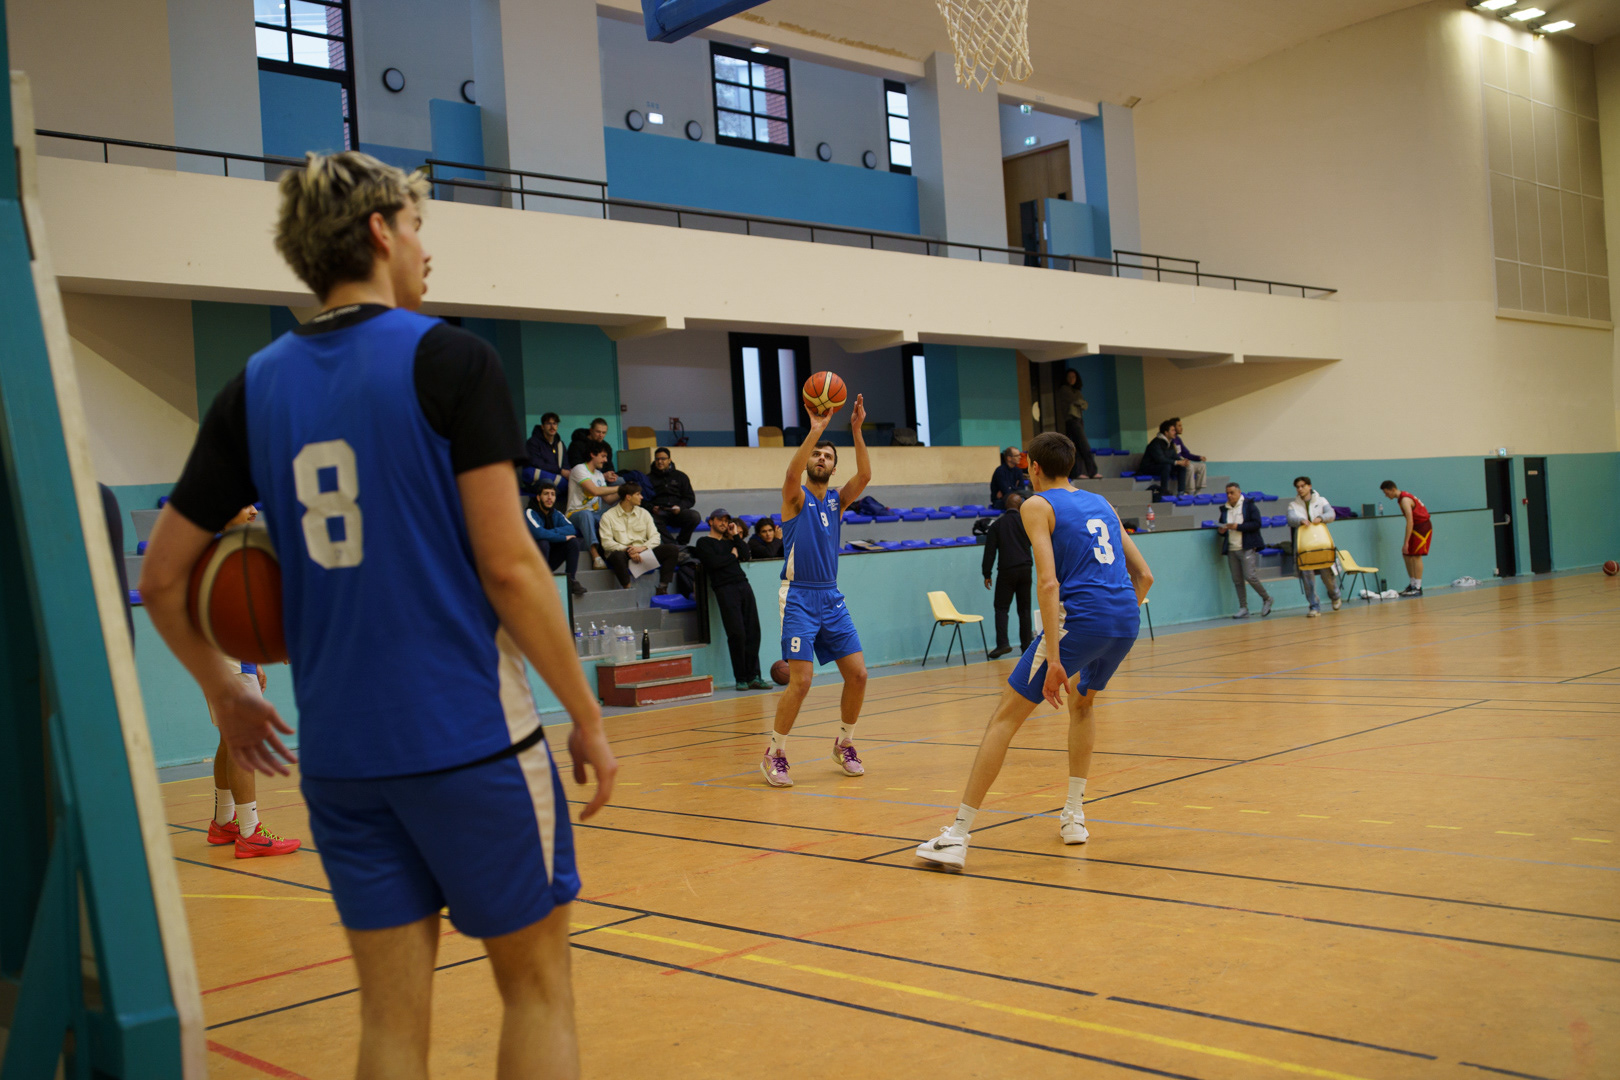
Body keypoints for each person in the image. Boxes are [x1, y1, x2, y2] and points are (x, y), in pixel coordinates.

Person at [137, 150, 615, 1079]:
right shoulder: (452, 360)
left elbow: (161, 580)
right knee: (537, 990)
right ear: (378, 231)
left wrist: (225, 691)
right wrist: (586, 714)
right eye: (418, 227)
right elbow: (511, 566)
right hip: (471, 738)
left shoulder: (253, 386)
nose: (427, 250)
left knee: (390, 1026)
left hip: (343, 761)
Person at [915, 432, 1151, 870]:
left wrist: (1055, 660)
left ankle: (957, 837)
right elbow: (1145, 576)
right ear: (1073, 465)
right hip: (1125, 622)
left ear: (1033, 468)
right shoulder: (1103, 503)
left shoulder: (1036, 505)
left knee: (1003, 719)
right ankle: (1074, 817)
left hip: (1081, 622)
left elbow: (1047, 582)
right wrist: (1115, 621)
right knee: (1083, 705)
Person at [763, 394, 872, 788]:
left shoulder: (837, 502)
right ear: (809, 461)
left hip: (831, 596)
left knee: (858, 675)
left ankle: (844, 743)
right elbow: (791, 474)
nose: (822, 459)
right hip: (798, 597)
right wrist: (816, 429)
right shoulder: (795, 498)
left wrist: (856, 429)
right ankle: (775, 752)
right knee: (802, 681)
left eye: (827, 456)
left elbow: (864, 477)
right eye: (817, 455)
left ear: (833, 467)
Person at [202, 504, 303, 858]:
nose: (254, 510)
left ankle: (224, 822)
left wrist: (254, 659)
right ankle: (250, 832)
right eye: (245, 504)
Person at [692, 510, 769, 691]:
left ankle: (754, 676)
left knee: (753, 632)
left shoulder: (730, 542)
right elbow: (714, 564)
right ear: (711, 521)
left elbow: (746, 555)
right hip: (724, 588)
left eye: (727, 521)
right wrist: (732, 556)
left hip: (743, 585)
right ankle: (741, 678)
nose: (724, 523)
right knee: (737, 634)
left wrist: (735, 536)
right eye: (720, 520)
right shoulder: (703, 542)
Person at [597, 481, 679, 592]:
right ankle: (628, 589)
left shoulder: (644, 513)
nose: (641, 497)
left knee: (672, 549)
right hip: (623, 553)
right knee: (616, 555)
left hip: (643, 551)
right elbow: (607, 543)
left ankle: (662, 588)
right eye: (638, 494)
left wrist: (642, 548)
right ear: (628, 497)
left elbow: (656, 537)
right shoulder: (608, 516)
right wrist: (628, 550)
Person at [982, 491, 1033, 659]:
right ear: (1020, 506)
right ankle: (1026, 646)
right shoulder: (1026, 522)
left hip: (1007, 571)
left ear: (1006, 506)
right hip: (1025, 569)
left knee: (1001, 608)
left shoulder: (997, 525)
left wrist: (987, 573)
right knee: (1024, 609)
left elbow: (990, 552)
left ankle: (1003, 643)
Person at [1287, 476, 1341, 617]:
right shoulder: (1293, 505)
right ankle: (1314, 606)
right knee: (1307, 578)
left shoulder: (1321, 500)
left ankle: (1335, 596)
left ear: (1309, 486)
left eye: (1303, 486)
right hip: (1305, 546)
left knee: (1327, 575)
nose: (1300, 489)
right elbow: (1290, 519)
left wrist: (1321, 518)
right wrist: (1300, 520)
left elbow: (1331, 514)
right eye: (1298, 487)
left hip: (1321, 543)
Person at [1217, 482, 1271, 618]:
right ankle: (1243, 607)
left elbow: (1256, 524)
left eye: (1232, 493)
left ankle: (1267, 598)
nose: (1229, 496)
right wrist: (1221, 531)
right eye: (1227, 493)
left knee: (1250, 576)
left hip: (1246, 547)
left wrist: (1238, 527)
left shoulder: (1249, 505)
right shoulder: (1225, 509)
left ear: (1239, 492)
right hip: (1232, 548)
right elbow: (1222, 527)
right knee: (1237, 580)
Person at [526, 482, 588, 597]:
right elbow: (538, 533)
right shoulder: (530, 513)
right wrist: (562, 537)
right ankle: (541, 580)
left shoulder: (556, 514)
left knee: (573, 542)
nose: (550, 497)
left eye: (552, 494)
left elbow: (571, 529)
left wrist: (551, 532)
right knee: (543, 542)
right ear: (539, 497)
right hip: (532, 563)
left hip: (549, 559)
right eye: (546, 494)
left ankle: (571, 580)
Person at [567, 442, 619, 570]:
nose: (606, 460)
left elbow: (609, 499)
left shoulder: (599, 474)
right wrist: (620, 488)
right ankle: (595, 556)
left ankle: (615, 550)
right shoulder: (579, 469)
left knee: (613, 512)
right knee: (586, 514)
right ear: (592, 454)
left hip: (594, 514)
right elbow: (595, 491)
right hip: (575, 514)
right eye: (603, 456)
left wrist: (624, 492)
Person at [1381, 481, 1431, 597]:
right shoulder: (1401, 498)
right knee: (1406, 554)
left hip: (1422, 526)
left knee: (1416, 555)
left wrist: (1406, 542)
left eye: (1386, 493)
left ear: (1393, 489)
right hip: (1416, 526)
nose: (1386, 495)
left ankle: (1418, 587)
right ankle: (1412, 584)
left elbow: (1410, 521)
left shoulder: (1405, 500)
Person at [647, 447, 700, 544]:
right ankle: (673, 546)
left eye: (663, 459)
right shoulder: (648, 478)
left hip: (677, 512)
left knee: (694, 516)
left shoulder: (681, 476)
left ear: (669, 460)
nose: (660, 462)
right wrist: (652, 508)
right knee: (650, 520)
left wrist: (680, 507)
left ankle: (681, 543)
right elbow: (642, 500)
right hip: (659, 513)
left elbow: (690, 498)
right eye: (657, 459)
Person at [1054, 369, 1100, 479]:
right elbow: (1076, 401)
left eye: (1074, 377)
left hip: (1079, 420)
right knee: (1084, 446)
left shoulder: (1077, 391)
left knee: (1077, 448)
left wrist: (1081, 403)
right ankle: (1092, 472)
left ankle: (1079, 472)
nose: (1071, 379)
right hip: (1072, 420)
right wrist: (1081, 403)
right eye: (1069, 377)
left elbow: (1084, 405)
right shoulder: (1064, 389)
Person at [1138, 420, 1185, 499]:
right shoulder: (1156, 443)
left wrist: (1182, 462)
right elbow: (1160, 459)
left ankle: (1181, 493)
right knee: (1166, 466)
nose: (1175, 432)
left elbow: (1174, 456)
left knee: (1181, 467)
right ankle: (1164, 491)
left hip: (1162, 466)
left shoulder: (1170, 443)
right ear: (1166, 432)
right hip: (1148, 467)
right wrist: (1177, 462)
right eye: (1173, 430)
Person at [1170, 418, 1207, 494]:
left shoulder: (1178, 439)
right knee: (1190, 466)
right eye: (1179, 426)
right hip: (1176, 465)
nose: (1181, 428)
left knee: (1202, 466)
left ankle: (1198, 491)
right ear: (1173, 427)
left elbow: (1186, 454)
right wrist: (1182, 461)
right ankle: (1188, 491)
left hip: (1183, 462)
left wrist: (1199, 457)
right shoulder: (1170, 440)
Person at [527, 411, 565, 480]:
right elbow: (536, 463)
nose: (552, 427)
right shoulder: (533, 442)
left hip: (558, 477)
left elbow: (565, 464)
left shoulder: (560, 444)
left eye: (554, 423)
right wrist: (560, 471)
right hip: (539, 479)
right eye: (548, 423)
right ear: (542, 427)